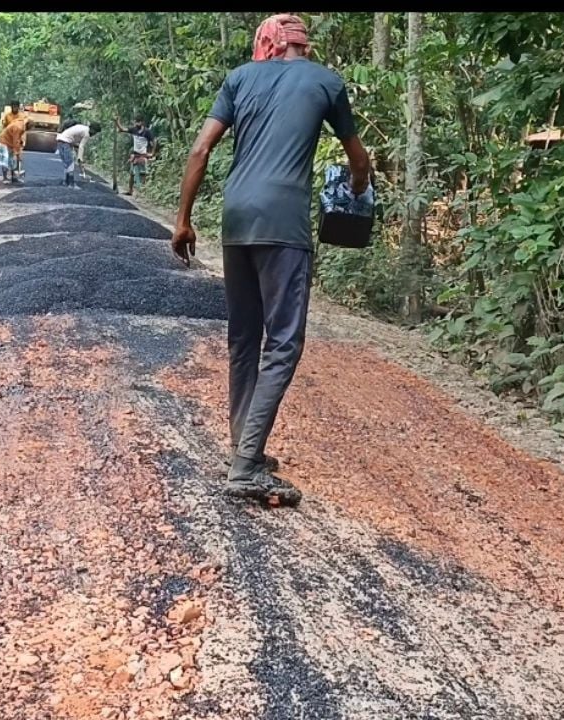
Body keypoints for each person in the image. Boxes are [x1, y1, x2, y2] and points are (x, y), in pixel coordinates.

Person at [172, 13, 372, 507]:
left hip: (236, 221)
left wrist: (183, 220)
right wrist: (359, 190)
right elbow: (359, 161)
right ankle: (245, 468)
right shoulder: (326, 82)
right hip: (283, 226)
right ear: (304, 45)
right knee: (283, 344)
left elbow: (199, 151)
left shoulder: (239, 78)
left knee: (243, 336)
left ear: (267, 44)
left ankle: (245, 446)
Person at [115, 115, 157, 195]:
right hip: (135, 154)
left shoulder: (147, 132)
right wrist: (117, 122)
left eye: (138, 122)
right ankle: (130, 190)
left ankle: (143, 191)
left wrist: (153, 153)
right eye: (135, 122)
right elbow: (122, 129)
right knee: (132, 174)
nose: (136, 124)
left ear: (142, 122)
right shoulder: (133, 129)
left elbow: (154, 140)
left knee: (143, 173)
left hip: (143, 155)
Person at [55, 121, 102, 187]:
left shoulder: (83, 128)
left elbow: (74, 139)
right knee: (70, 164)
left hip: (60, 141)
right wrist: (80, 158)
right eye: (95, 132)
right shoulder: (87, 133)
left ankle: (66, 182)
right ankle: (71, 184)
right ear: (92, 129)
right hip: (65, 142)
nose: (94, 134)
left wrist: (77, 150)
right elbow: (81, 146)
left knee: (67, 164)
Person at [0, 116, 28, 185]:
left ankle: (14, 178)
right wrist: (17, 153)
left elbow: (18, 139)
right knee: (5, 159)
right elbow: (15, 142)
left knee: (12, 160)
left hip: (9, 142)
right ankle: (5, 178)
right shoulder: (18, 127)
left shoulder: (21, 126)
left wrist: (20, 143)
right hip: (4, 142)